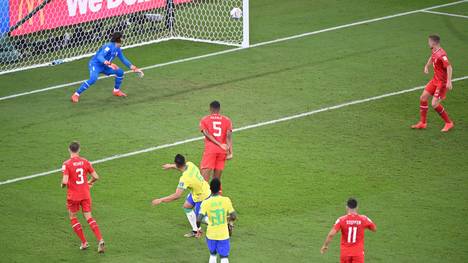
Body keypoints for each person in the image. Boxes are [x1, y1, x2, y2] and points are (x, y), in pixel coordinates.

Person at [71, 32, 144, 103]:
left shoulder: (118, 49)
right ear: (118, 39)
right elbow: (100, 56)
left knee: (120, 72)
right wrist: (109, 64)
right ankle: (76, 94)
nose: (123, 39)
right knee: (93, 79)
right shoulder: (108, 46)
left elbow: (124, 60)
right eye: (122, 38)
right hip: (95, 65)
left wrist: (134, 68)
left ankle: (116, 91)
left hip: (105, 66)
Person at [152, 154, 211, 238]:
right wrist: (171, 166)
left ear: (176, 164)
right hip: (201, 190)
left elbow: (177, 195)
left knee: (201, 218)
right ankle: (196, 231)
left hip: (202, 196)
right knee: (187, 207)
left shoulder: (185, 179)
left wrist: (161, 200)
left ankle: (223, 223)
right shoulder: (191, 164)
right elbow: (181, 166)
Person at [61, 142, 105, 253]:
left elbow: (65, 181)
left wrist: (62, 184)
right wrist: (89, 182)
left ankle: (84, 242)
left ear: (69, 150)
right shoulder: (85, 161)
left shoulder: (66, 164)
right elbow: (96, 177)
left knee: (73, 217)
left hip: (73, 196)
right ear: (79, 150)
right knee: (89, 218)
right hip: (85, 194)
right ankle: (100, 239)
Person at [411, 34, 454, 132]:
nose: (428, 43)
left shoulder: (442, 55)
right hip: (435, 80)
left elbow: (449, 67)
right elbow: (432, 57)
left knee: (434, 104)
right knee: (423, 97)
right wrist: (427, 66)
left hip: (441, 83)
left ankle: (449, 123)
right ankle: (423, 123)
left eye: (429, 42)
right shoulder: (434, 50)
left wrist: (449, 81)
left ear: (433, 43)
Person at [321, 198, 376, 263]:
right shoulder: (364, 219)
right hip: (358, 253)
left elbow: (331, 234)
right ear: (357, 207)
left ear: (346, 207)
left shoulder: (341, 219)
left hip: (345, 253)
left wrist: (325, 246)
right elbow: (374, 229)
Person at [197, 178, 237, 263]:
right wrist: (228, 219)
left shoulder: (205, 203)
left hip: (211, 234)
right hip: (223, 235)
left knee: (212, 254)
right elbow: (234, 216)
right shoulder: (226, 200)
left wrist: (198, 229)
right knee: (224, 257)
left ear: (210, 189)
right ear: (220, 188)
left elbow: (198, 219)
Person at [199, 101, 233, 186]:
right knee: (217, 180)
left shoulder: (205, 119)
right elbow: (228, 136)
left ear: (210, 109)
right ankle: (216, 197)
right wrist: (230, 152)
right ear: (219, 109)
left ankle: (204, 198)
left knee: (204, 179)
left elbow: (206, 133)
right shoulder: (227, 120)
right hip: (223, 151)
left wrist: (218, 144)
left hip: (211, 150)